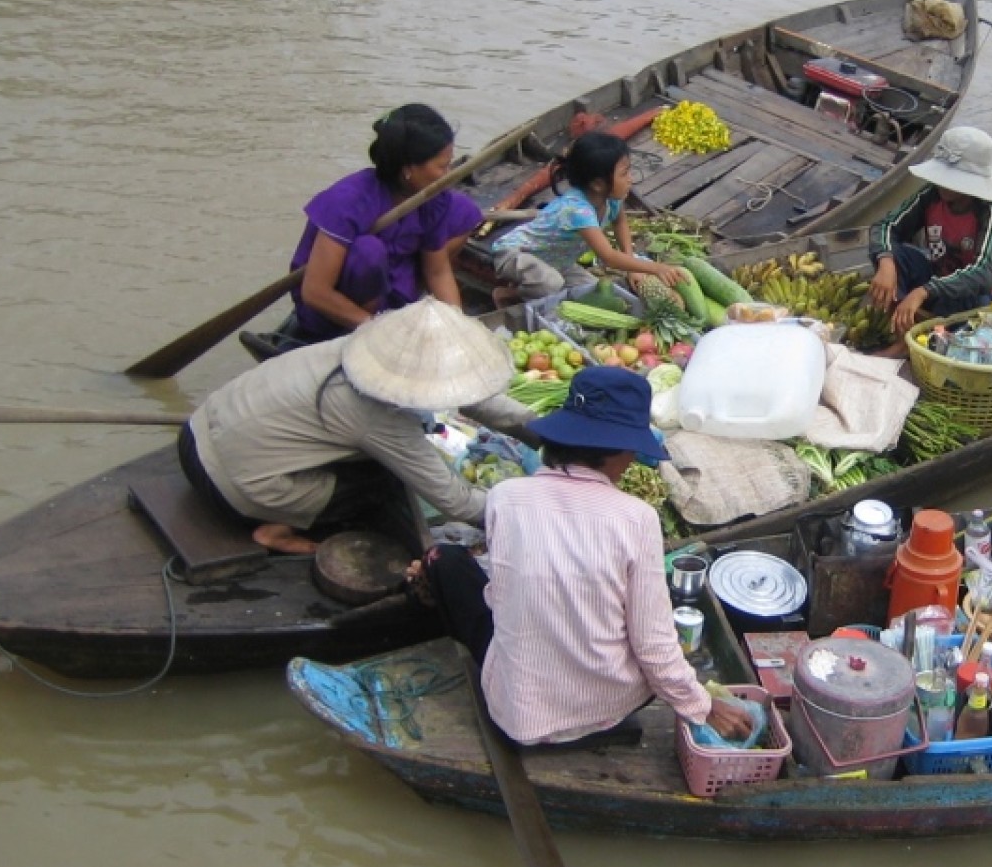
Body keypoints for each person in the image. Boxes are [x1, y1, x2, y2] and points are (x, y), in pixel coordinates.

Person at [412, 367, 754, 747]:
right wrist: (704, 706)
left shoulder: (504, 498)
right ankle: (590, 727)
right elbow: (654, 648)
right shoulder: (636, 518)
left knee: (446, 560)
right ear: (614, 452)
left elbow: (500, 596)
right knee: (648, 643)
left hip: (514, 711)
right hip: (599, 707)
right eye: (630, 450)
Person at [179, 299, 511, 555]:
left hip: (195, 433)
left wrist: (536, 428)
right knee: (387, 482)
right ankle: (276, 527)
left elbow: (471, 395)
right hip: (231, 486)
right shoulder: (378, 416)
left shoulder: (357, 347)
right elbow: (457, 502)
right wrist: (524, 508)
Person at [285, 104, 483, 344]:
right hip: (334, 307)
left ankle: (402, 300)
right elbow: (315, 292)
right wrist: (379, 330)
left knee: (465, 212)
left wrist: (458, 326)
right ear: (408, 169)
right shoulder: (348, 200)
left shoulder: (431, 198)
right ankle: (365, 321)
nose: (448, 172)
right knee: (369, 251)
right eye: (442, 166)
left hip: (389, 278)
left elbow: (437, 270)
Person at [488, 130, 691, 306]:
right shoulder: (578, 210)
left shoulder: (611, 199)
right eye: (624, 173)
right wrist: (656, 268)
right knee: (551, 285)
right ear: (598, 184)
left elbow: (619, 222)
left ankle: (535, 288)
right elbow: (609, 257)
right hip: (515, 252)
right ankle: (509, 295)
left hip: (557, 260)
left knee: (590, 289)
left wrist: (631, 265)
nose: (631, 179)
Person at [865, 125, 992, 342]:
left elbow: (984, 274)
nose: (942, 184)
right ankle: (898, 319)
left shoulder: (988, 212)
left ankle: (914, 342)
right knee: (898, 256)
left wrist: (924, 291)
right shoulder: (931, 196)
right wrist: (886, 261)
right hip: (937, 282)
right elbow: (886, 227)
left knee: (966, 293)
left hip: (975, 301)